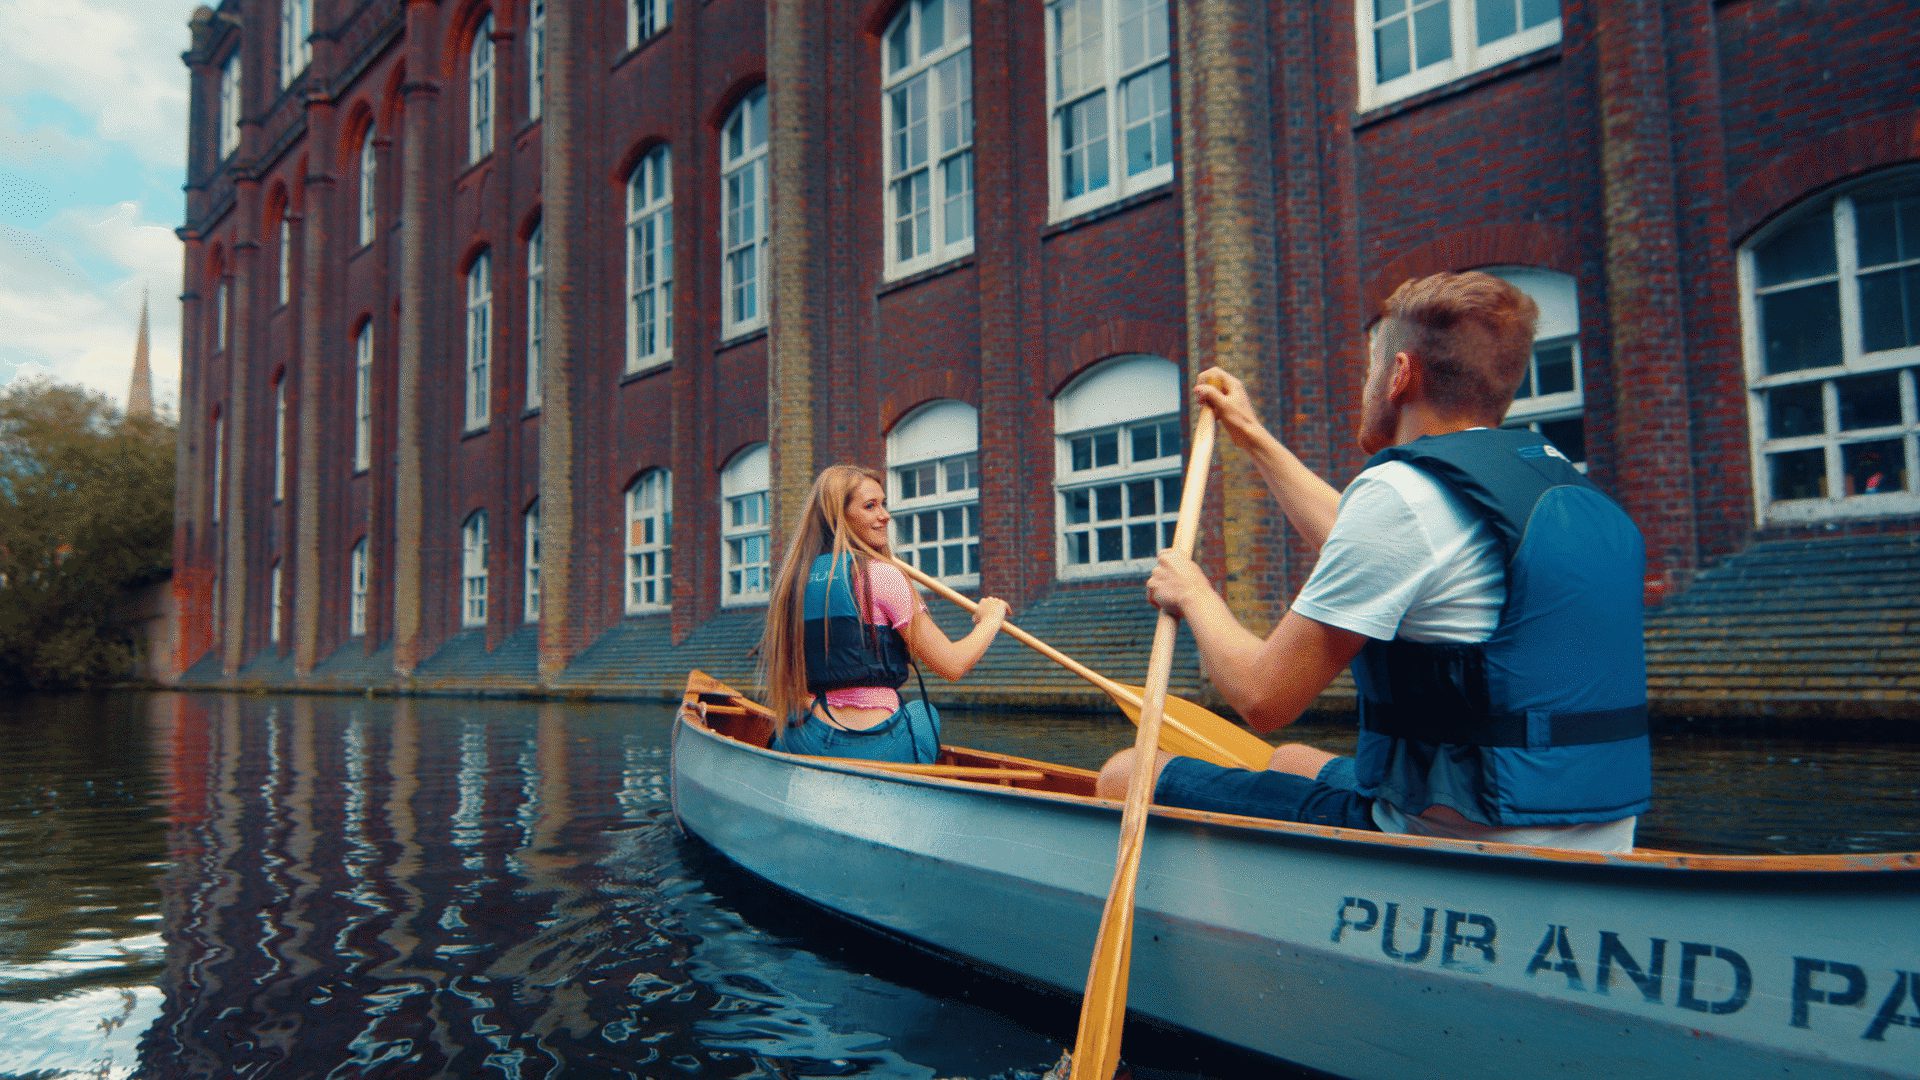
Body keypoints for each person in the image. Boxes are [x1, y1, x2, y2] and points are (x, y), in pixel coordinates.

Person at [1097, 271, 1651, 852]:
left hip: (1469, 835)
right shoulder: (1555, 485)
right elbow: (1370, 546)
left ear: (1400, 375)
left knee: (1125, 772)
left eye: (1370, 370)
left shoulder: (1401, 495)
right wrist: (1253, 435)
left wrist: (1193, 594)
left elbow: (1263, 698)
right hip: (1600, 832)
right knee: (1290, 760)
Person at [759, 464, 1010, 764]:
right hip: (877, 747)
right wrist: (991, 619)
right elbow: (952, 665)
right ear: (839, 516)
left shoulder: (792, 583)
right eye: (870, 506)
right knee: (923, 714)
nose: (885, 515)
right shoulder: (882, 576)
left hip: (805, 741)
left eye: (883, 504)